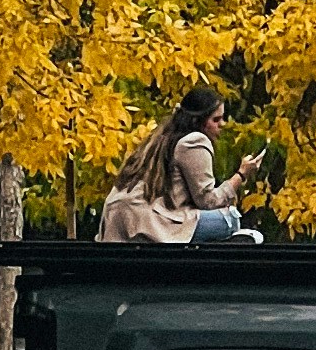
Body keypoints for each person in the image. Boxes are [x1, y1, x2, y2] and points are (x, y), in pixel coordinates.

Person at [97, 87, 267, 245]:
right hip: (148, 221)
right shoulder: (194, 141)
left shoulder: (163, 136)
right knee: (230, 219)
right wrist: (242, 174)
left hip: (122, 217)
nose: (222, 124)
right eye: (216, 119)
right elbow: (208, 201)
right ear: (198, 120)